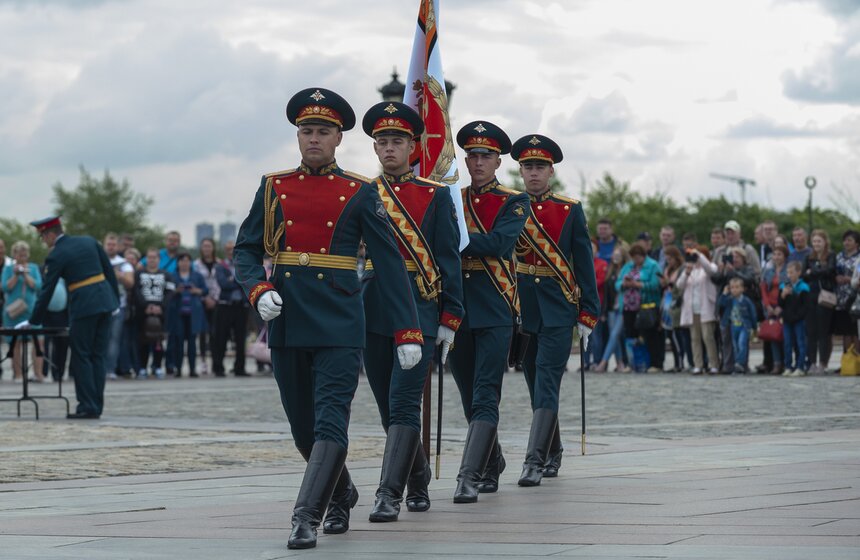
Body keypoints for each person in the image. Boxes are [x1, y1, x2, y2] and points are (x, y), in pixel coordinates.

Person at [232, 87, 422, 550]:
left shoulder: (359, 191)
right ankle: (342, 492)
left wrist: (407, 330)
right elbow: (246, 250)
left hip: (339, 321)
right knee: (302, 427)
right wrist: (257, 289)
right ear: (298, 136)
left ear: (339, 138)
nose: (313, 138)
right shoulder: (274, 186)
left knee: (330, 422)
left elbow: (391, 264)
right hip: (288, 317)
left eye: (323, 131)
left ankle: (305, 517)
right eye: (306, 131)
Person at [359, 101, 464, 522]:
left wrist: (449, 317)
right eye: (382, 142)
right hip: (372, 308)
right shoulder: (361, 193)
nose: (388, 148)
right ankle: (417, 480)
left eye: (397, 141)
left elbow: (448, 258)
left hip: (419, 308)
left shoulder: (434, 196)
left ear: (414, 146)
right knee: (389, 408)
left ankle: (388, 493)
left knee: (404, 404)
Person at [510, 133, 599, 487]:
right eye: (528, 166)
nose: (533, 173)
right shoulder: (511, 206)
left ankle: (533, 461)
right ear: (520, 170)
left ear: (551, 171)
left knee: (547, 378)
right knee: (534, 383)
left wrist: (588, 312)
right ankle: (553, 448)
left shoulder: (569, 209)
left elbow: (584, 262)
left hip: (559, 306)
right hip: (522, 307)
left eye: (540, 167)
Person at [448, 120, 529, 503]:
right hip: (458, 308)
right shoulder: (452, 198)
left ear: (498, 162)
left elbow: (499, 243)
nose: (478, 162)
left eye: (486, 156)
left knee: (485, 394)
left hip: (496, 307)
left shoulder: (514, 200)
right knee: (467, 395)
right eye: (473, 155)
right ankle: (492, 461)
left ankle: (469, 474)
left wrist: (454, 241)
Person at [24, 217, 119, 419]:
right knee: (98, 356)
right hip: (105, 302)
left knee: (81, 355)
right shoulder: (89, 241)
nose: (43, 241)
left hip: (84, 305)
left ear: (50, 234)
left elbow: (46, 290)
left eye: (43, 237)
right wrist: (115, 301)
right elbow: (108, 271)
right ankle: (96, 405)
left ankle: (87, 406)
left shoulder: (57, 254)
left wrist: (34, 320)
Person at [616, 242, 663, 372]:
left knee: (650, 334)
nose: (636, 260)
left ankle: (655, 363)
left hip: (647, 305)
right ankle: (632, 362)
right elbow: (618, 282)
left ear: (643, 256)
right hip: (628, 306)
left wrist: (637, 284)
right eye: (633, 257)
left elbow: (655, 284)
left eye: (638, 257)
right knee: (630, 334)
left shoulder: (653, 265)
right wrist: (624, 284)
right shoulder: (628, 266)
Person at [2, 241, 45, 382]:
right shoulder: (8, 269)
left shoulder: (33, 268)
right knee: (15, 343)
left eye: (24, 254)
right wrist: (15, 275)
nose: (22, 257)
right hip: (13, 312)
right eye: (19, 255)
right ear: (14, 255)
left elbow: (38, 286)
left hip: (31, 311)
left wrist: (25, 275)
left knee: (38, 341)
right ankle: (18, 374)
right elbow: (4, 287)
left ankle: (38, 373)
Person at [676, 246, 719, 374]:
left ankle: (713, 364)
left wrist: (699, 254)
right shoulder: (691, 270)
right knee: (695, 338)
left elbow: (711, 270)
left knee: (708, 337)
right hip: (692, 308)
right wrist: (686, 272)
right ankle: (698, 364)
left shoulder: (710, 267)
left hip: (705, 307)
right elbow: (679, 285)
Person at [165, 253, 208, 377]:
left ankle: (192, 369)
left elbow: (205, 290)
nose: (184, 263)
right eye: (182, 261)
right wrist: (176, 291)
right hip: (177, 313)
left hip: (193, 313)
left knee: (192, 343)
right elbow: (167, 292)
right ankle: (178, 368)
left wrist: (196, 291)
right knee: (178, 342)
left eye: (187, 261)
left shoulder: (197, 276)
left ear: (190, 263)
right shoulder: (172, 276)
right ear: (178, 263)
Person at [135, 248, 174, 379]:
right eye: (149, 257)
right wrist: (145, 306)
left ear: (159, 259)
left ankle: (157, 366)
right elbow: (136, 291)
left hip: (160, 312)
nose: (152, 260)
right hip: (143, 312)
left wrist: (161, 307)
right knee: (143, 341)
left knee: (158, 341)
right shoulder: (139, 274)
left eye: (154, 257)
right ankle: (142, 367)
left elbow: (169, 293)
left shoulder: (166, 274)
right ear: (146, 259)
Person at [213, 240, 249, 377]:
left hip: (241, 306)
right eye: (228, 249)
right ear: (225, 251)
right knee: (220, 338)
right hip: (225, 306)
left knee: (241, 339)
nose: (231, 252)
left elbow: (246, 281)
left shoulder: (242, 264)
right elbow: (223, 284)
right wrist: (238, 281)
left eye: (233, 249)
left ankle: (240, 368)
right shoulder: (220, 266)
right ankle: (218, 368)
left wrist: (232, 280)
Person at [803, 229, 836, 374]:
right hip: (811, 296)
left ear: (825, 242)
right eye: (814, 241)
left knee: (823, 331)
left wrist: (814, 271)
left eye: (819, 241)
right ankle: (811, 362)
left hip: (825, 297)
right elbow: (804, 275)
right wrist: (818, 270)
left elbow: (830, 270)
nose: (816, 244)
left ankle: (823, 362)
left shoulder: (831, 255)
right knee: (811, 332)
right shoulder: (808, 257)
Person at [594, 242, 630, 373]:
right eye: (614, 255)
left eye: (618, 255)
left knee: (615, 334)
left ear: (623, 256)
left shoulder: (627, 270)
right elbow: (607, 293)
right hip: (610, 309)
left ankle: (603, 363)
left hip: (623, 307)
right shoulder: (611, 270)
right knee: (614, 336)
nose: (615, 258)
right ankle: (620, 363)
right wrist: (603, 311)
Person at [103, 233, 135, 380]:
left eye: (114, 244)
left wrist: (118, 275)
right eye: (108, 244)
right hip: (101, 305)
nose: (111, 247)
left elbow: (130, 283)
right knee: (101, 339)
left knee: (114, 339)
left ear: (118, 246)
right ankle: (100, 369)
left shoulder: (124, 263)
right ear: (104, 245)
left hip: (119, 306)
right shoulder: (98, 261)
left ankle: (110, 369)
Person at [718, 277, 757, 374]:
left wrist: (754, 327)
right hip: (733, 326)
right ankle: (739, 366)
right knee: (735, 347)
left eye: (737, 287)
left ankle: (739, 363)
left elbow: (753, 313)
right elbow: (721, 303)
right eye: (732, 287)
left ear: (742, 289)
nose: (734, 290)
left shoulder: (746, 301)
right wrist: (724, 293)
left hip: (744, 326)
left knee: (742, 344)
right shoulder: (729, 299)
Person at [760, 246, 789, 374]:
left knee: (784, 336)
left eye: (779, 254)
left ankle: (786, 362)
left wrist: (780, 306)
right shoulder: (768, 271)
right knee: (773, 336)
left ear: (784, 256)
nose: (776, 257)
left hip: (783, 306)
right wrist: (767, 306)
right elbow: (763, 289)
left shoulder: (788, 270)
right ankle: (776, 363)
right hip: (770, 307)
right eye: (775, 254)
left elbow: (789, 288)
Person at [193, 238, 220, 375]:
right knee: (203, 333)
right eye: (204, 246)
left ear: (213, 248)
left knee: (215, 334)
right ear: (201, 248)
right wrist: (205, 298)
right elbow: (195, 283)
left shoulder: (219, 263)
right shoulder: (196, 264)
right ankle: (203, 361)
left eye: (209, 246)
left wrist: (214, 299)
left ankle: (216, 362)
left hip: (216, 301)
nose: (207, 249)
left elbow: (219, 283)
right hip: (201, 302)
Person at [660, 246, 688, 372]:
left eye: (670, 258)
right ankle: (677, 362)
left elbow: (680, 286)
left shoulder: (682, 269)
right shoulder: (668, 269)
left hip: (677, 304)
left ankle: (681, 363)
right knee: (671, 336)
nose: (668, 261)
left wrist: (670, 283)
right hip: (667, 304)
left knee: (677, 335)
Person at [779, 261, 810, 376]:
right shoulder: (784, 286)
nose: (789, 275)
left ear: (798, 272)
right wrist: (783, 295)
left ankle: (800, 366)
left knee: (800, 343)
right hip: (787, 320)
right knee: (787, 343)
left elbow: (805, 306)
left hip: (799, 320)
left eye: (792, 272)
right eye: (788, 272)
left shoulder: (803, 287)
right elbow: (780, 304)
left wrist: (798, 317)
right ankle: (788, 366)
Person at [833, 230, 860, 358]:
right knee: (845, 330)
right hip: (841, 297)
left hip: (855, 298)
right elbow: (834, 271)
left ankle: (857, 358)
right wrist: (837, 277)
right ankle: (846, 359)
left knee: (855, 330)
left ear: (857, 243)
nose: (846, 243)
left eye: (849, 240)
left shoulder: (858, 258)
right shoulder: (839, 256)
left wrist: (850, 280)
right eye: (845, 240)